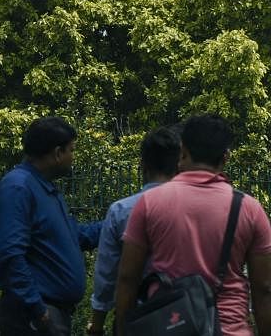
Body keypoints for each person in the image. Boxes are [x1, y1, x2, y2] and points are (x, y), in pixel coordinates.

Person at [115, 115, 271, 336]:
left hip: (168, 327)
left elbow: (127, 278)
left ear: (183, 152)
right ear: (225, 157)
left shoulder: (150, 204)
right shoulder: (250, 209)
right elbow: (264, 289)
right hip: (229, 329)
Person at [0, 116, 103, 336]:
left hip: (50, 314)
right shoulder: (18, 187)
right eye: (71, 150)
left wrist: (117, 221)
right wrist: (37, 309)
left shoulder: (45, 190)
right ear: (57, 153)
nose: (73, 157)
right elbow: (10, 254)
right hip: (33, 318)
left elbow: (73, 236)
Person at [87, 126, 181, 336]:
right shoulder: (194, 208)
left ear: (143, 166)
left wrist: (97, 323)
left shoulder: (121, 211)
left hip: (137, 317)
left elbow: (108, 274)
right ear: (178, 166)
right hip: (186, 312)